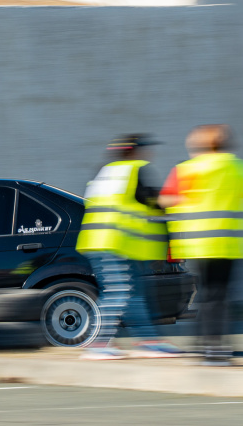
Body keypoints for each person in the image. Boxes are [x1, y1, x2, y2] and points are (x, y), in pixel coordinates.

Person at [159, 124, 243, 366]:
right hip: (235, 244)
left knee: (207, 295)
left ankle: (208, 348)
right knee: (225, 296)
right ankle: (221, 347)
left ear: (200, 145)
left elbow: (166, 199)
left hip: (201, 243)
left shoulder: (187, 170)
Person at [76, 134, 183, 360]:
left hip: (102, 242)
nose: (149, 153)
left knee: (134, 294)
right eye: (146, 148)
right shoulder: (136, 169)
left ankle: (149, 341)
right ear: (136, 150)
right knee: (119, 292)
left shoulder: (104, 171)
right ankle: (97, 343)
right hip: (117, 242)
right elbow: (151, 201)